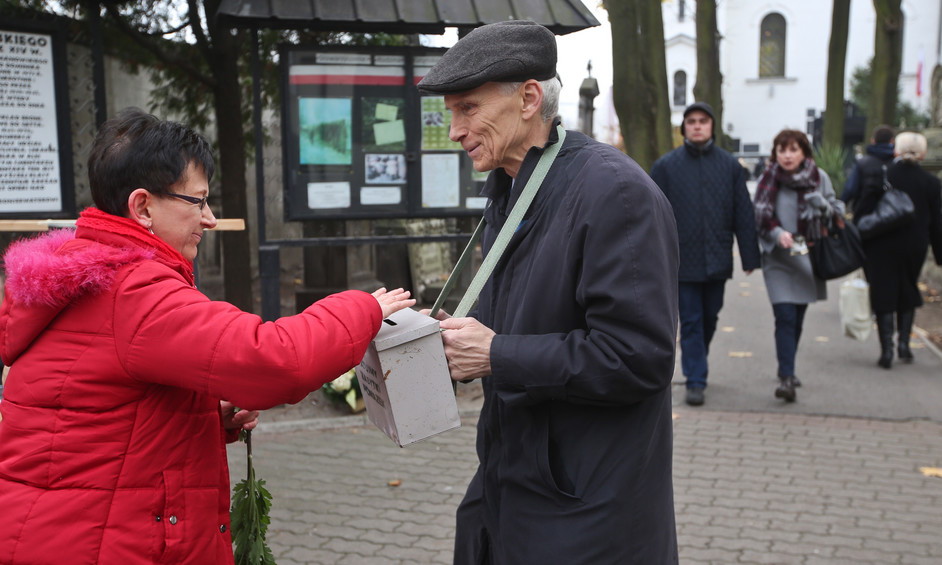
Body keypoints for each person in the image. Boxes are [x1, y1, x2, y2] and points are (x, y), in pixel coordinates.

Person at [0, 108, 415, 564]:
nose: (211, 218)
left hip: (61, 531)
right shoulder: (133, 291)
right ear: (142, 207)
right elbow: (273, 361)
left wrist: (202, 418)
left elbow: (98, 416)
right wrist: (364, 309)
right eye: (198, 202)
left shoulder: (89, 275)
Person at [416, 21, 680, 564]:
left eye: (467, 108)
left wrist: (494, 354)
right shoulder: (512, 190)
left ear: (529, 99)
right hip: (513, 487)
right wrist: (437, 337)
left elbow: (638, 359)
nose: (454, 131)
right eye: (450, 113)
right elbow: (512, 323)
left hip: (586, 511)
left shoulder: (616, 194)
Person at [651, 102, 761, 406]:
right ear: (684, 127)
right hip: (682, 261)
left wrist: (750, 256)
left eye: (703, 121)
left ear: (712, 126)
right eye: (691, 121)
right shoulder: (666, 167)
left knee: (710, 317)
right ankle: (695, 379)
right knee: (691, 320)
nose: (697, 126)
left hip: (717, 258)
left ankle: (697, 355)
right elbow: (652, 215)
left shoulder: (730, 167)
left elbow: (743, 213)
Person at [753, 129, 844, 402]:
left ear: (804, 151)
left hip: (808, 256)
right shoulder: (768, 179)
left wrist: (824, 208)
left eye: (793, 149)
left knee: (798, 318)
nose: (787, 155)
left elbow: (837, 214)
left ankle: (787, 366)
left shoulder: (819, 178)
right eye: (782, 150)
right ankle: (787, 377)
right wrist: (776, 233)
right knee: (785, 316)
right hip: (779, 258)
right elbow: (758, 215)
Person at [856, 132, 942, 368]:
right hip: (914, 244)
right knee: (908, 287)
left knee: (883, 292)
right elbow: (937, 222)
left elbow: (862, 211)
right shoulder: (931, 182)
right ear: (922, 153)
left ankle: (886, 350)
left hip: (881, 243)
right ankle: (904, 346)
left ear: (896, 150)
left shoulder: (880, 174)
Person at [841, 124, 895, 206]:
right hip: (894, 214)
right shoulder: (897, 164)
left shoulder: (862, 164)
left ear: (873, 141)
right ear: (892, 141)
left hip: (865, 214)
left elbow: (850, 190)